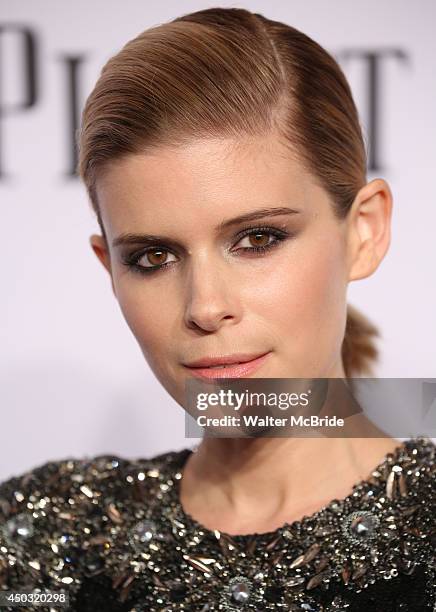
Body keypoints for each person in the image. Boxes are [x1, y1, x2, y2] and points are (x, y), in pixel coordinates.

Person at [0, 7, 434, 612]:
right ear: (109, 268)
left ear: (363, 232)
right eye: (152, 257)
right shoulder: (41, 539)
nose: (205, 307)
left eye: (258, 239)